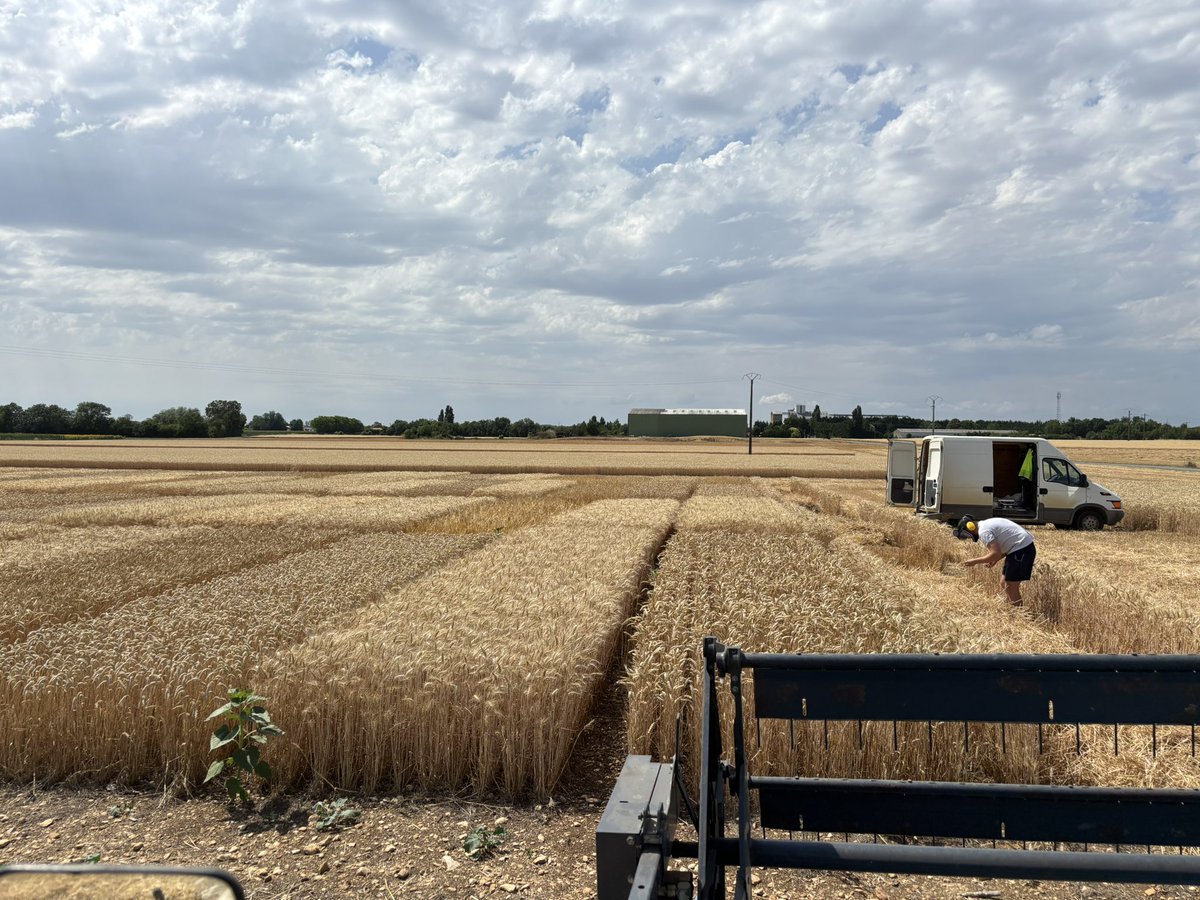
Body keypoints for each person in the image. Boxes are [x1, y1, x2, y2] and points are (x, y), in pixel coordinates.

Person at [954, 515, 1036, 607]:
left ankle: (1019, 614)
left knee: (1011, 585)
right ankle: (1011, 609)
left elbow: (995, 553)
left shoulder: (983, 531)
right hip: (1019, 548)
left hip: (1022, 549)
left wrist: (975, 561)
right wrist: (996, 558)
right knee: (1004, 583)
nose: (968, 537)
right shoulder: (985, 525)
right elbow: (1006, 543)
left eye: (966, 535)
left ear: (971, 527)